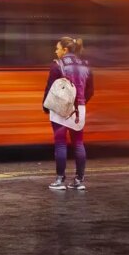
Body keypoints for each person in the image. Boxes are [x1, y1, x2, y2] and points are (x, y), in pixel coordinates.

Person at [44, 37, 94, 191]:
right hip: (80, 109)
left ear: (65, 50)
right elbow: (90, 90)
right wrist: (80, 102)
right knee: (78, 143)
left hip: (60, 109)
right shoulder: (86, 66)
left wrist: (45, 106)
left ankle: (60, 180)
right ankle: (79, 180)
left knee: (60, 143)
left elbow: (50, 90)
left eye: (57, 48)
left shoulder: (57, 65)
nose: (56, 51)